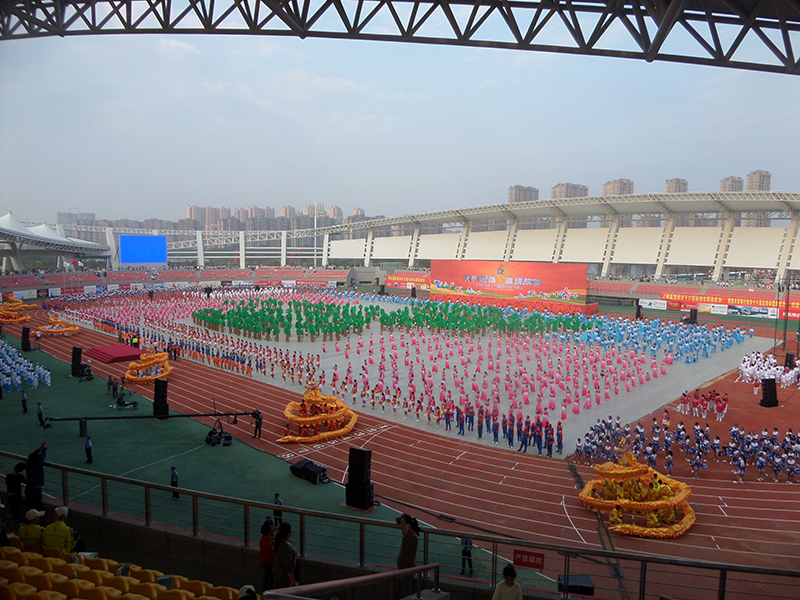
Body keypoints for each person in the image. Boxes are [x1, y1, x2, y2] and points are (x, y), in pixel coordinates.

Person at [273, 521, 298, 588]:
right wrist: (292, 581)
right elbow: (288, 567)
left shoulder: (282, 543)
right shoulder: (286, 548)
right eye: (291, 528)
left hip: (281, 576)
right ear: (288, 533)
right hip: (285, 580)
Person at [26, 441, 47, 510]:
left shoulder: (28, 464)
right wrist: (43, 448)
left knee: (29, 504)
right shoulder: (37, 465)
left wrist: (41, 448)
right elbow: (42, 457)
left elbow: (35, 455)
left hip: (28, 487)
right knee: (37, 505)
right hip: (36, 488)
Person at [260, 517, 276, 591]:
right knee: (271, 579)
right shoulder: (269, 544)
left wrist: (271, 531)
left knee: (266, 577)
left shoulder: (262, 539)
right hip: (268, 563)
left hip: (263, 561)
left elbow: (268, 536)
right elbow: (272, 555)